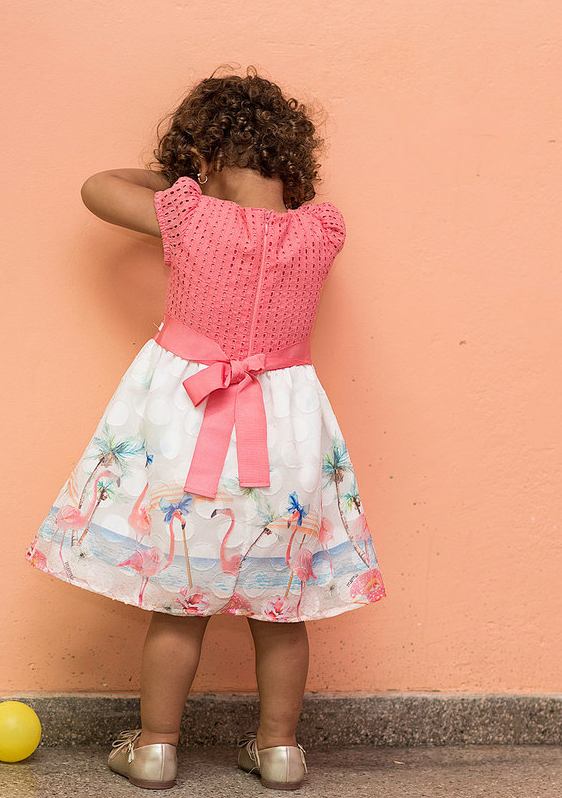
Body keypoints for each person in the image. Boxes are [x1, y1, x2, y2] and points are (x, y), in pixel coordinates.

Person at [22, 65, 387, 790]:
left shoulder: (186, 214)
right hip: (287, 438)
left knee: (178, 601)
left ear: (205, 158)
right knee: (283, 607)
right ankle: (281, 750)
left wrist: (178, 179)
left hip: (191, 423)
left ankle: (156, 745)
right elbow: (275, 217)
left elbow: (98, 186)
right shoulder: (323, 228)